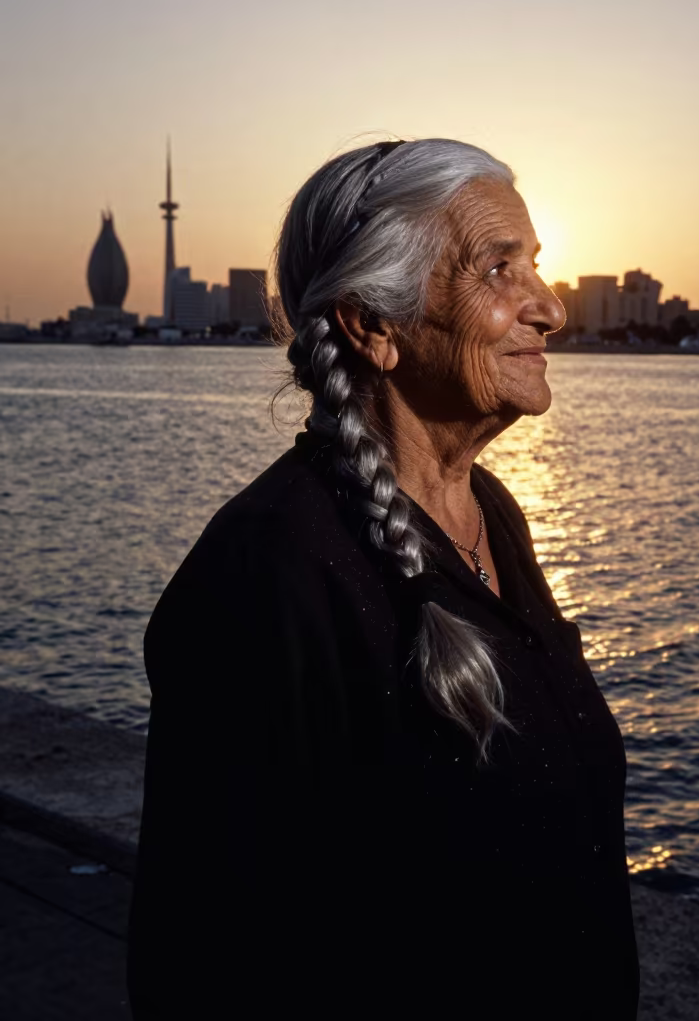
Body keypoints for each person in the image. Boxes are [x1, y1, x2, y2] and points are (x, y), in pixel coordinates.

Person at [127, 138, 640, 1019]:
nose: (550, 308)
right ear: (373, 326)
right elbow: (204, 962)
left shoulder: (494, 518)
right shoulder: (269, 571)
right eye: (497, 269)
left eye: (536, 266)